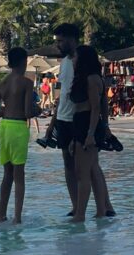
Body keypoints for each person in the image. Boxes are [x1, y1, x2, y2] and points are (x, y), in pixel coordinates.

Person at [45, 24, 115, 217]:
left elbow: (100, 99)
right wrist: (52, 122)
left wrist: (105, 125)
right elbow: (63, 94)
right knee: (69, 165)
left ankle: (105, 206)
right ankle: (77, 206)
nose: (57, 45)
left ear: (71, 39)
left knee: (90, 166)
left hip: (81, 119)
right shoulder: (64, 63)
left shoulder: (85, 61)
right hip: (64, 118)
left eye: (60, 41)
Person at [0, 47, 35, 223]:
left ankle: (1, 215)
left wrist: (5, 111)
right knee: (19, 175)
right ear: (24, 61)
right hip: (18, 128)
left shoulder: (3, 83)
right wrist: (39, 110)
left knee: (7, 174)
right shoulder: (27, 83)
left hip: (4, 127)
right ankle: (17, 217)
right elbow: (29, 112)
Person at [69, 45, 108, 222]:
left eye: (76, 57)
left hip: (87, 123)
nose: (73, 59)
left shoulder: (92, 79)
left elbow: (96, 108)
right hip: (80, 122)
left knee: (82, 173)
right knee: (90, 169)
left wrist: (91, 133)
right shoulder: (85, 77)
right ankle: (101, 211)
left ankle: (80, 214)